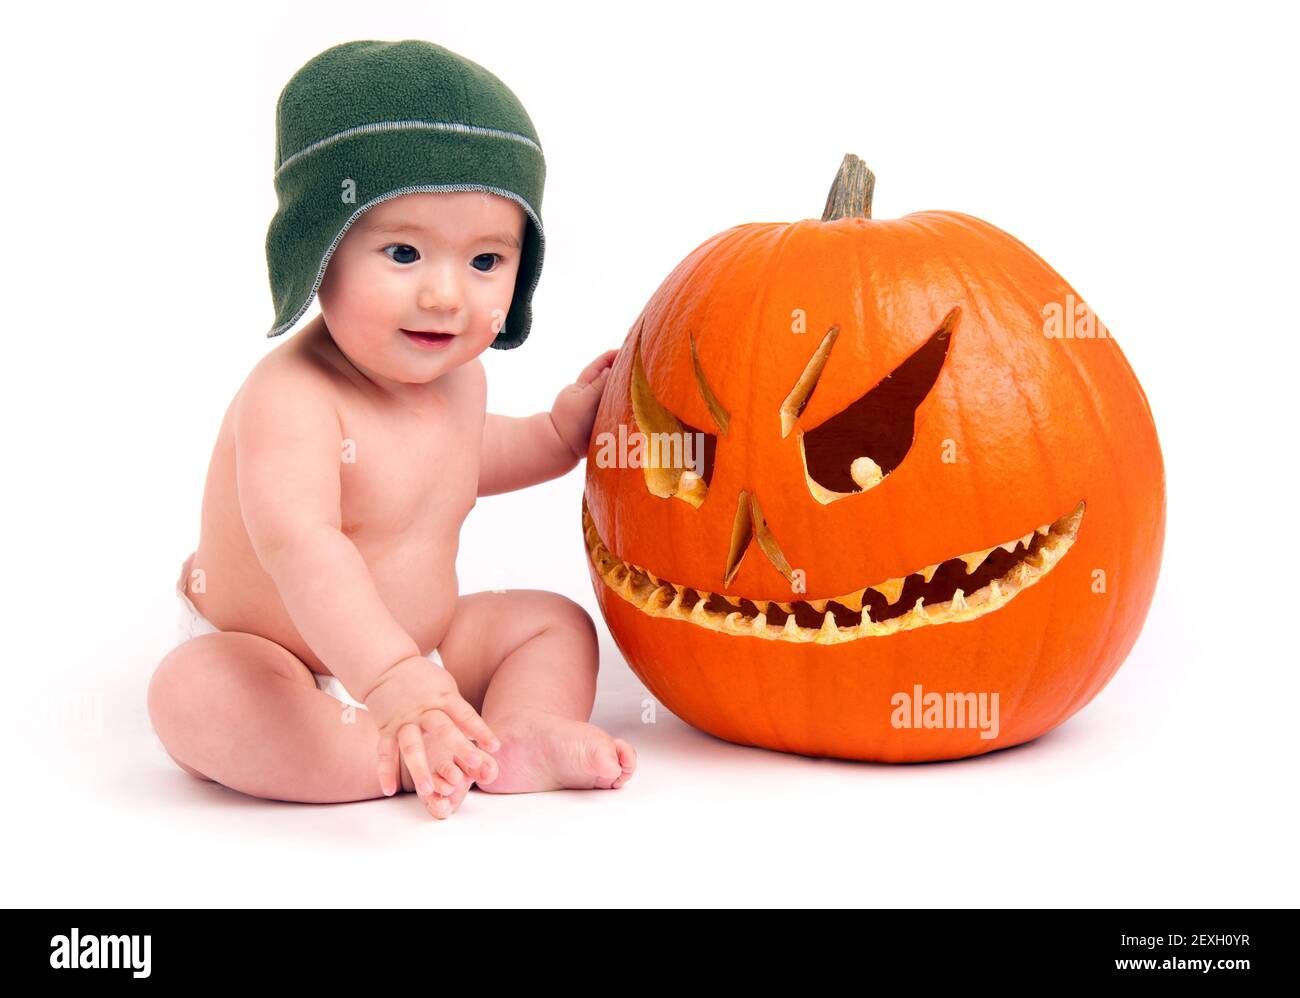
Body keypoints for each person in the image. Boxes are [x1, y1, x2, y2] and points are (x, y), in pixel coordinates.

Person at [148, 39, 635, 820]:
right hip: (279, 664)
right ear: (320, 252)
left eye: (485, 261)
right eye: (403, 252)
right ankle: (385, 757)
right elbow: (303, 548)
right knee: (192, 696)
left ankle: (512, 735)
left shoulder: (459, 380)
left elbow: (467, 457)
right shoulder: (292, 399)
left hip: (428, 655)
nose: (445, 294)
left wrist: (556, 431)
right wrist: (388, 684)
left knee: (553, 623)